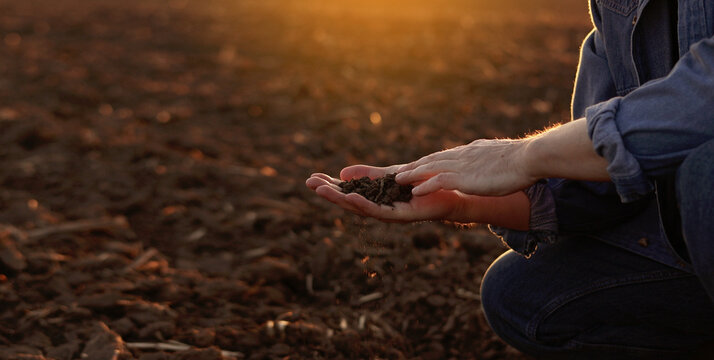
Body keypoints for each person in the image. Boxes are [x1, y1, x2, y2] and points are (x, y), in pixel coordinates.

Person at [306, 0, 714, 357]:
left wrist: (525, 155)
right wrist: (458, 200)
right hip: (689, 245)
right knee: (523, 297)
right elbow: (599, 174)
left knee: (705, 173)